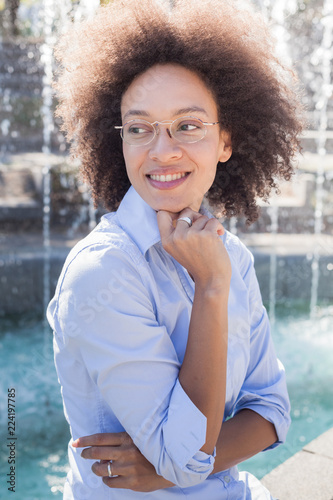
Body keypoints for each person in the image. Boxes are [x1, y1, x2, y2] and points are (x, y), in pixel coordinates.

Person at [47, 0, 303, 498]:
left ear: (225, 140)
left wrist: (167, 469)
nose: (162, 151)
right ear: (118, 142)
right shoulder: (102, 273)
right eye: (139, 129)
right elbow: (190, 457)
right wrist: (210, 288)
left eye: (187, 125)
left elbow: (273, 412)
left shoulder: (232, 256)